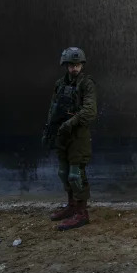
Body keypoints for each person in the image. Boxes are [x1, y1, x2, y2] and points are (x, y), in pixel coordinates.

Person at [42, 47, 97, 231]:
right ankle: (72, 206)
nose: (74, 68)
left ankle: (82, 213)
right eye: (71, 65)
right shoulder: (60, 84)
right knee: (63, 172)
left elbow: (90, 111)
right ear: (65, 65)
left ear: (82, 65)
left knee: (76, 174)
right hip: (61, 133)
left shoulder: (86, 83)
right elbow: (53, 107)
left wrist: (70, 123)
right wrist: (49, 130)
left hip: (78, 134)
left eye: (77, 64)